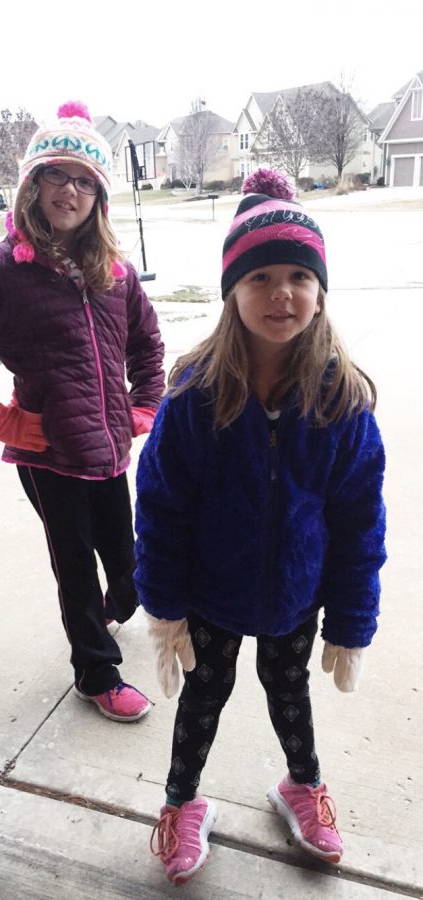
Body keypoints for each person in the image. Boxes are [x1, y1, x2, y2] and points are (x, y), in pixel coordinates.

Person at [134, 168, 386, 884]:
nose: (282, 294)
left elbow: (360, 517)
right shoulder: (194, 395)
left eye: (299, 276)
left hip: (294, 594)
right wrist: (165, 608)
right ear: (231, 291)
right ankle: (182, 801)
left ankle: (300, 787)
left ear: (320, 290)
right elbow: (160, 507)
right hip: (211, 595)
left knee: (288, 689)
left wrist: (351, 619)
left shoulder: (340, 398)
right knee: (205, 696)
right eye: (261, 277)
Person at [0, 101, 165, 723]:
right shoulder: (1, 273)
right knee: (75, 565)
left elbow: (147, 344)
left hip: (109, 447)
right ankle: (96, 672)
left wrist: (145, 406)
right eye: (57, 174)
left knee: (128, 562)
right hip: (47, 451)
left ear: (99, 197)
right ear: (33, 185)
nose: (70, 189)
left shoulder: (114, 272)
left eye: (85, 180)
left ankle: (115, 609)